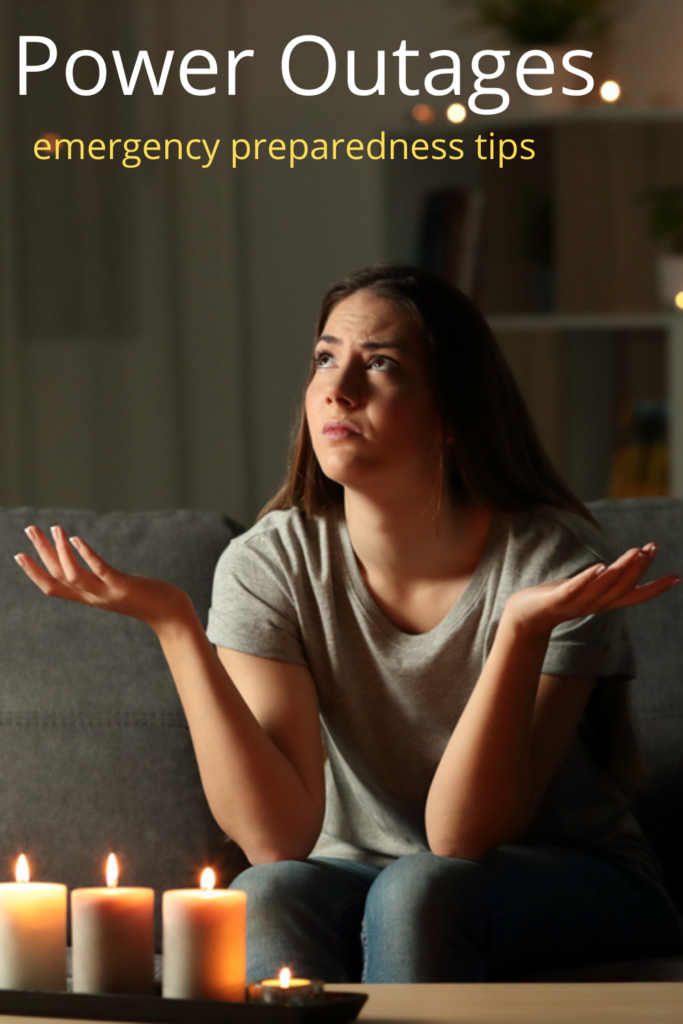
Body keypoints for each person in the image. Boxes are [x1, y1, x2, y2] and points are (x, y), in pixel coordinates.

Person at [15, 263, 682, 983]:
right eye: (326, 358)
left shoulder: (551, 562)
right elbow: (277, 838)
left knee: (419, 889)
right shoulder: (270, 562)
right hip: (360, 876)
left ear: (452, 412)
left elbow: (463, 836)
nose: (339, 387)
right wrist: (175, 624)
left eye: (383, 364)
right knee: (264, 894)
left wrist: (518, 633)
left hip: (568, 878)